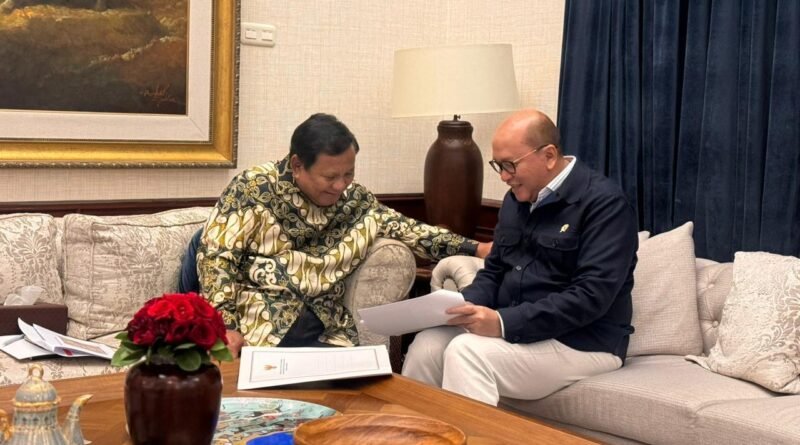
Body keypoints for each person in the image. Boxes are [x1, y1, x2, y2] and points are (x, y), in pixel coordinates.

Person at [196, 113, 491, 357]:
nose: (340, 186)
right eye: (330, 177)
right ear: (297, 165)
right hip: (260, 325)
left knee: (358, 395)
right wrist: (226, 327)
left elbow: (406, 228)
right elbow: (217, 259)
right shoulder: (253, 189)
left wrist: (476, 249)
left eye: (348, 174)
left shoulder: (354, 200)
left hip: (326, 326)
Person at [401, 109, 638, 406]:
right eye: (498, 166)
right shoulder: (516, 200)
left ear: (548, 155)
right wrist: (459, 306)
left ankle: (471, 432)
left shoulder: (605, 205)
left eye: (510, 165)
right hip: (521, 330)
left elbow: (591, 296)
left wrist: (503, 322)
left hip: (583, 342)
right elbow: (494, 271)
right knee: (427, 344)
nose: (503, 177)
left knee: (467, 352)